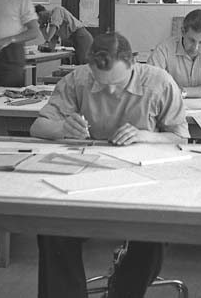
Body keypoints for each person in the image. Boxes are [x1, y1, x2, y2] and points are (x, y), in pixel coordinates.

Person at [30, 32, 189, 298]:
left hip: (143, 180)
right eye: (102, 83)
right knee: (52, 228)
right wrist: (62, 128)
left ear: (133, 64)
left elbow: (181, 137)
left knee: (153, 231)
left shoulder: (160, 82)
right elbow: (38, 127)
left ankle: (124, 290)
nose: (111, 91)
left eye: (118, 83)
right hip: (85, 177)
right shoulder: (78, 79)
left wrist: (144, 135)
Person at [148, 9, 201, 97]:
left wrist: (182, 92)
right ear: (183, 32)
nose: (195, 48)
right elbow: (150, 85)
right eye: (192, 40)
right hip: (172, 103)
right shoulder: (163, 50)